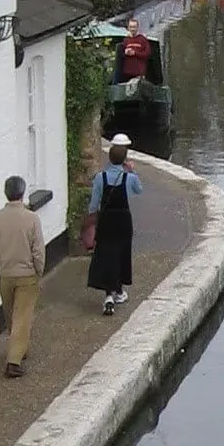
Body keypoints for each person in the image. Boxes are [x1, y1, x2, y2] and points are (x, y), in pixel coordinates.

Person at [0, 174, 45, 379]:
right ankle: (13, 362)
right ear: (23, 193)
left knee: (11, 315)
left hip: (5, 274)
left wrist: (0, 267)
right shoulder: (31, 219)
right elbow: (38, 251)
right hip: (27, 274)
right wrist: (39, 271)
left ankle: (19, 348)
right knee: (22, 317)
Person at [86, 135, 142, 315]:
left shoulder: (100, 177)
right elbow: (139, 190)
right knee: (121, 253)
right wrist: (132, 171)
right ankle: (119, 292)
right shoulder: (129, 178)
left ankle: (108, 295)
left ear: (109, 158)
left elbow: (94, 205)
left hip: (107, 220)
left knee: (106, 254)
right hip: (123, 220)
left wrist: (91, 218)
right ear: (124, 159)